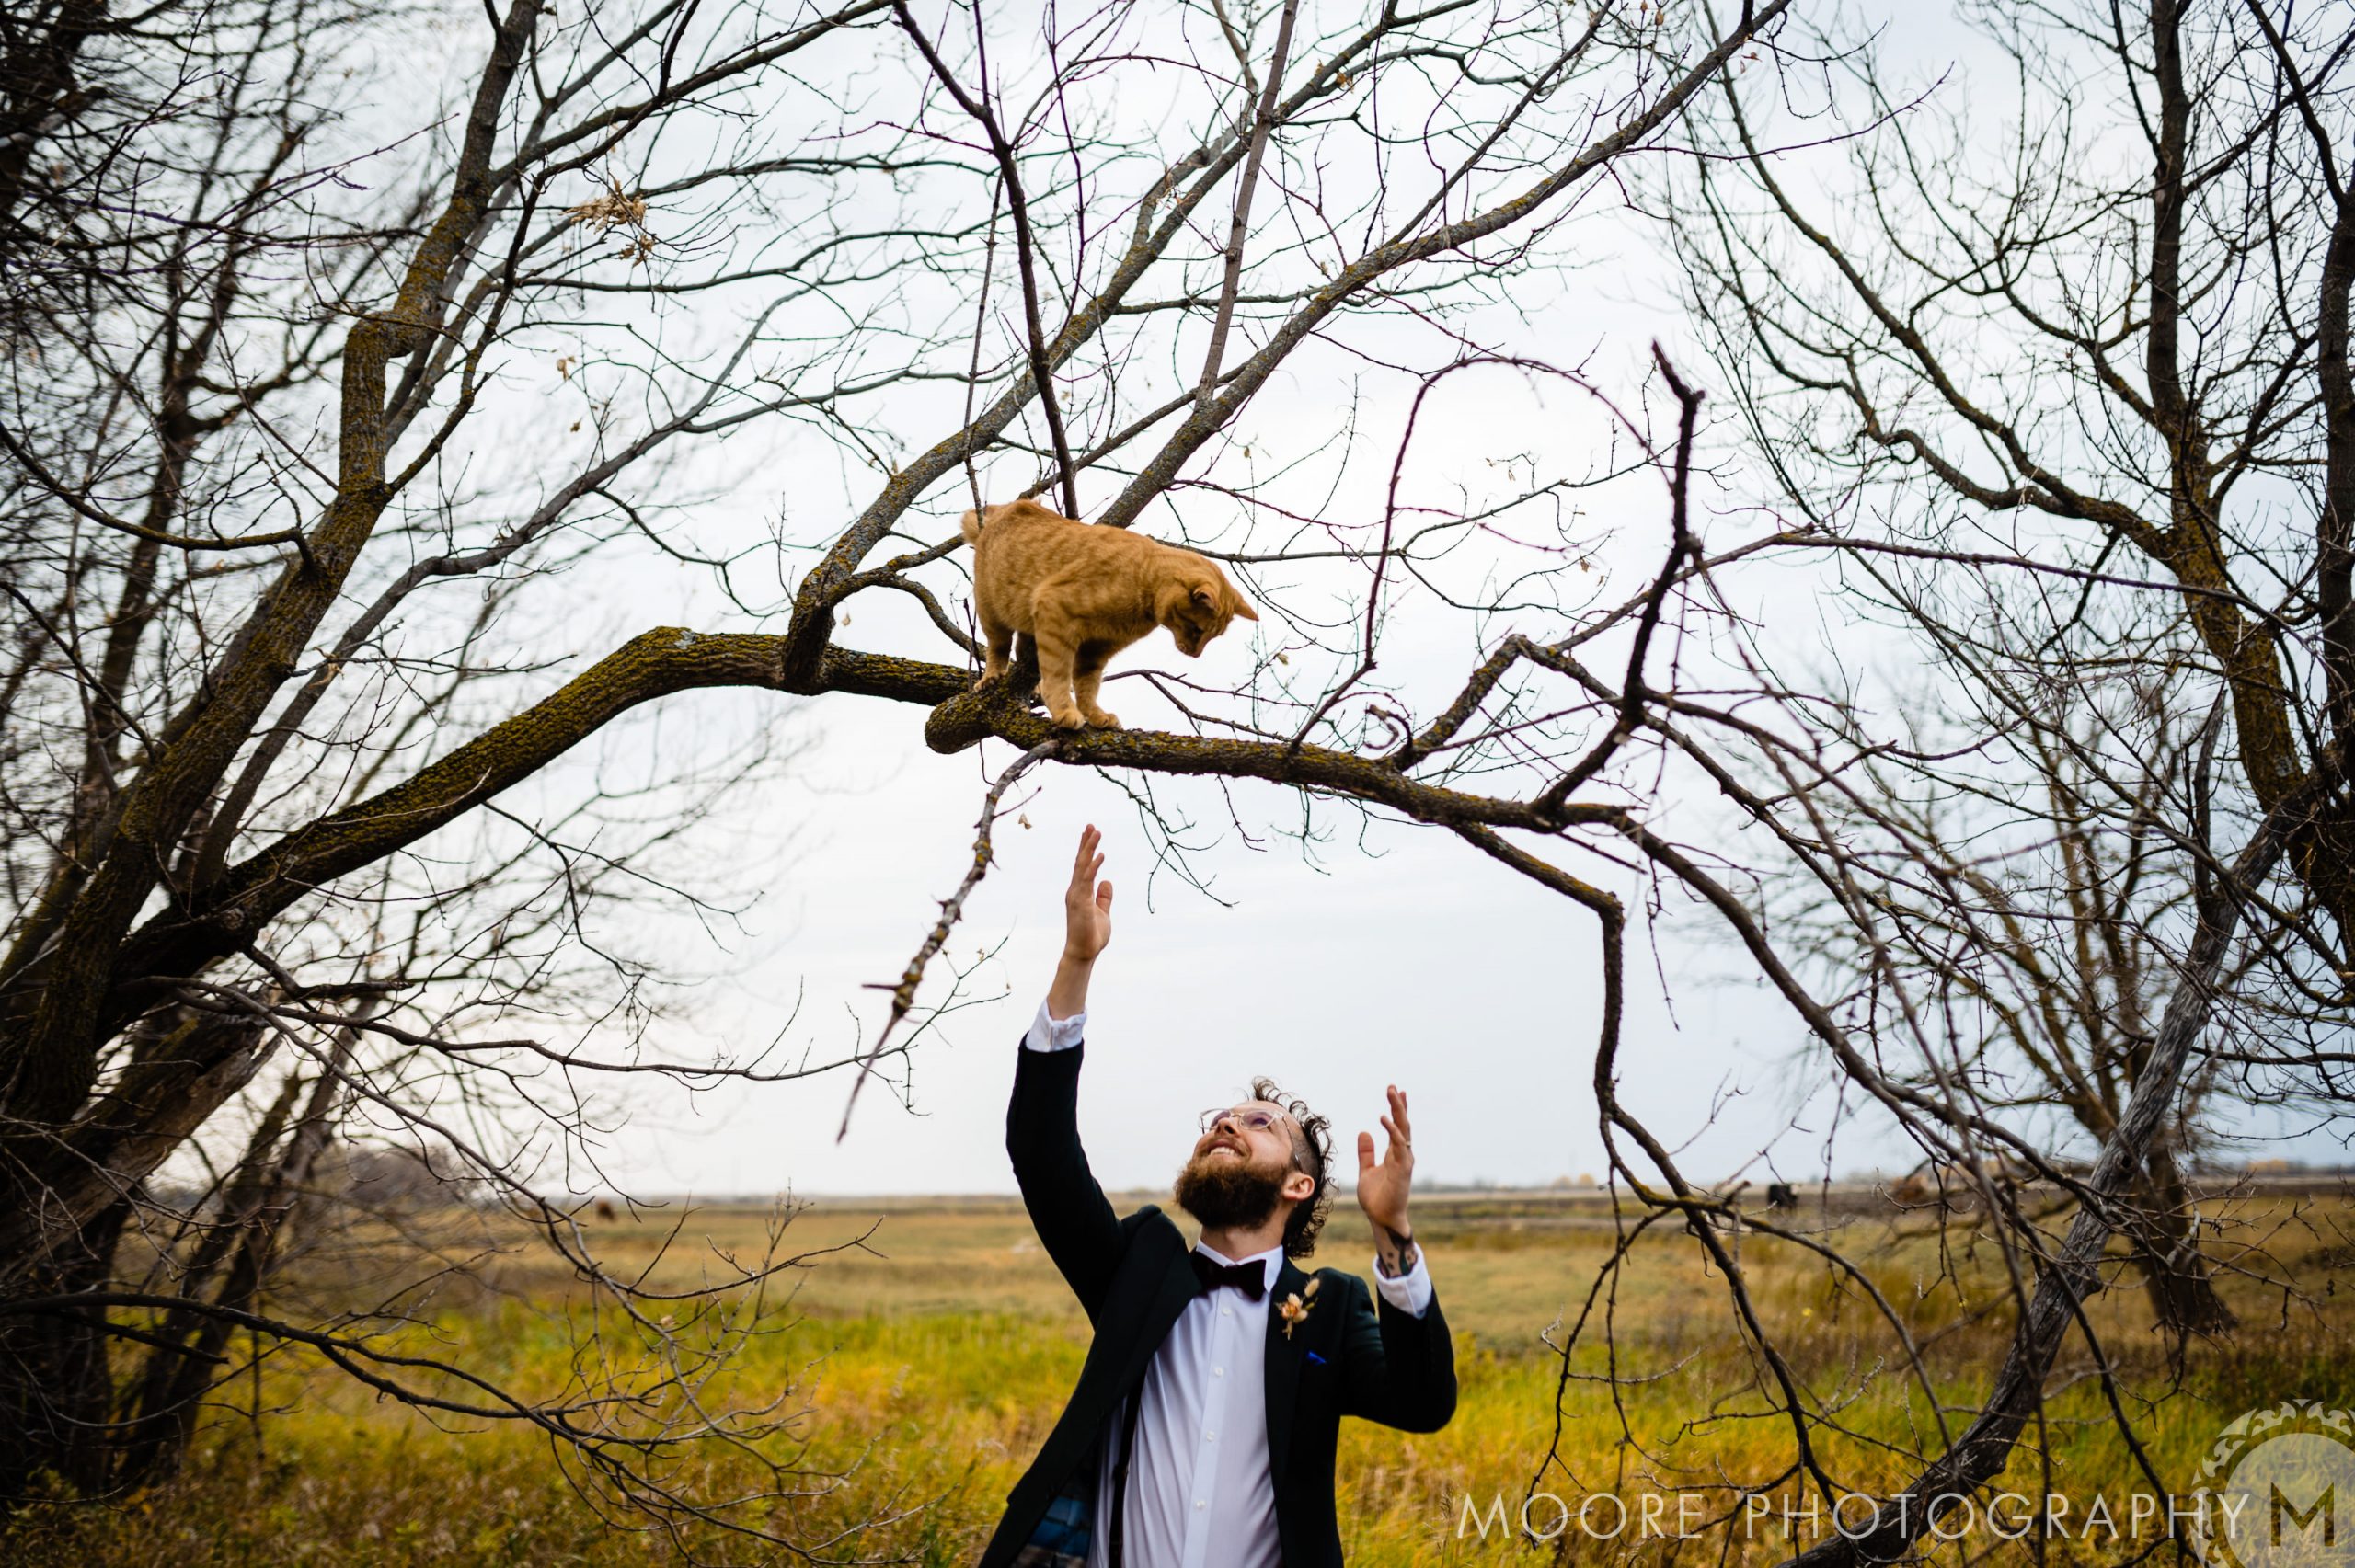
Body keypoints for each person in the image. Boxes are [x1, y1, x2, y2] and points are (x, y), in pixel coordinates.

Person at [982, 826, 1457, 1568]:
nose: (1227, 1122)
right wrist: (1077, 961)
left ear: (1299, 1183)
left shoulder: (1329, 1309)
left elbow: (1425, 1403)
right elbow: (1041, 1153)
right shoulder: (1137, 1269)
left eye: (1258, 1123)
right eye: (1220, 1120)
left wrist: (1392, 1230)